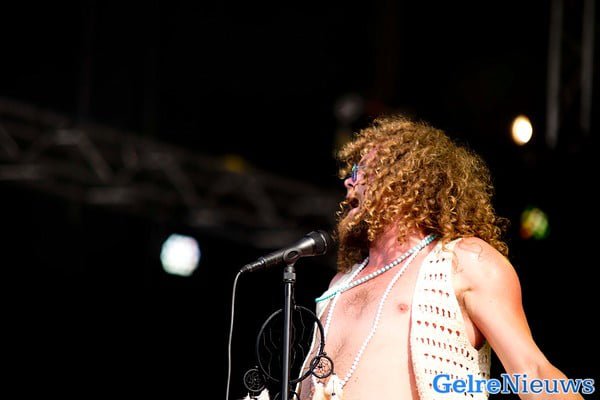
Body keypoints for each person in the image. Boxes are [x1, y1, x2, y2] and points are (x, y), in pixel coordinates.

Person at [294, 115, 586, 400]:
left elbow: (534, 372)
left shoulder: (462, 262)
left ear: (402, 177)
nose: (348, 181)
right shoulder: (340, 284)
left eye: (361, 171)